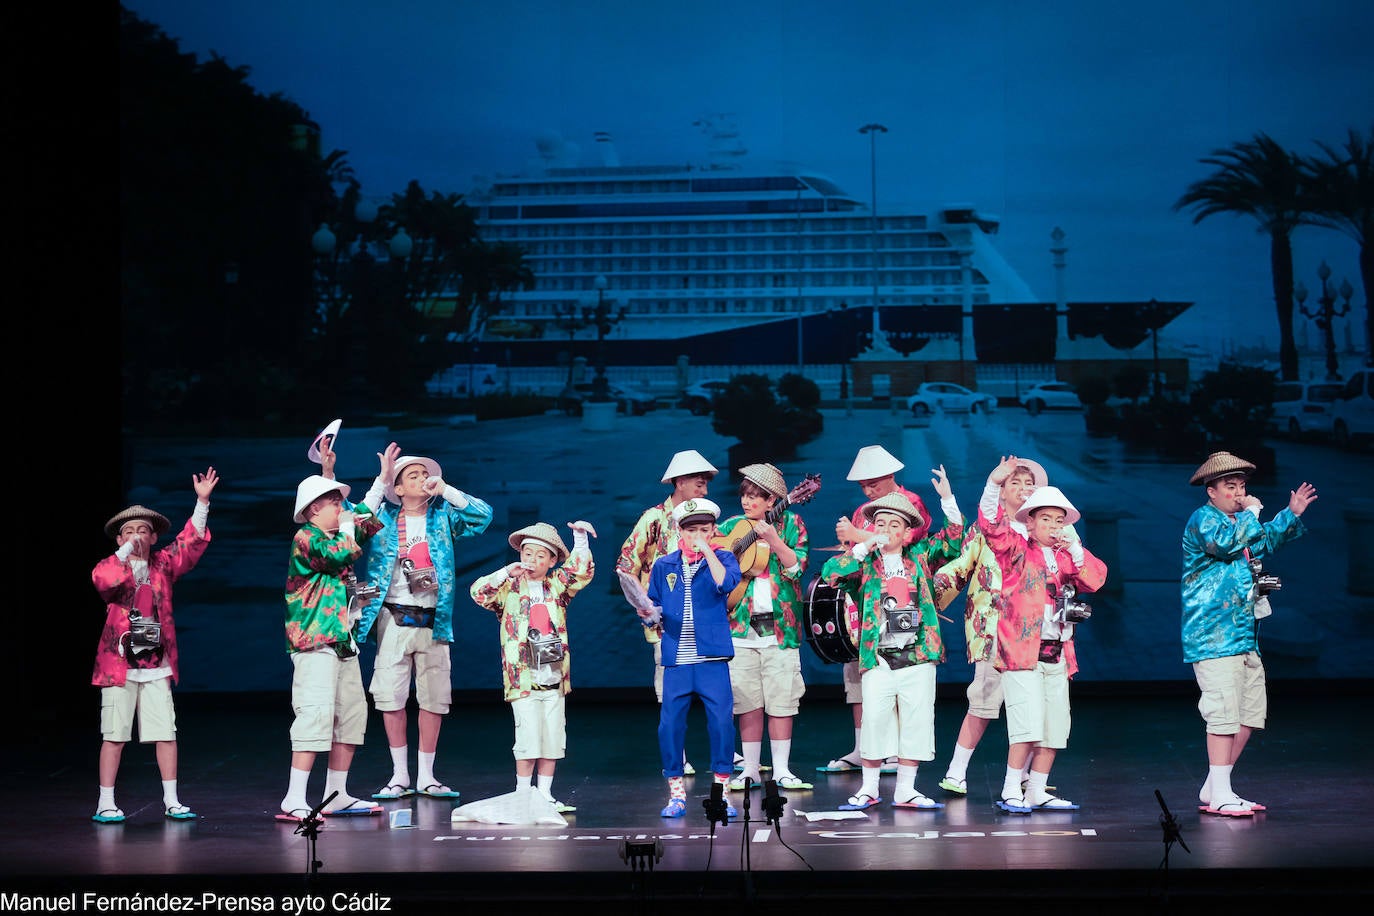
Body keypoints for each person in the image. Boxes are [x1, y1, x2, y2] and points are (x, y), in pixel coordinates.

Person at [343, 443, 494, 802]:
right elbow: (352, 521)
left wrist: (447, 491)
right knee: (391, 698)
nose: (423, 479)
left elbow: (482, 516)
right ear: (398, 488)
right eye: (414, 475)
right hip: (393, 618)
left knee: (434, 699)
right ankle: (399, 775)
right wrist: (379, 479)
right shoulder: (382, 524)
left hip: (433, 620)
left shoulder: (442, 517)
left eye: (425, 475)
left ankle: (427, 775)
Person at [1182, 451, 1316, 817]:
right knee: (1223, 713)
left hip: (1244, 634)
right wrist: (1251, 511)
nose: (1239, 493)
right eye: (1230, 487)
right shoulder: (1204, 520)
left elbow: (1262, 540)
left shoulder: (1239, 523)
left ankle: (1215, 786)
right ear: (1212, 491)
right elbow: (1228, 543)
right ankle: (1221, 793)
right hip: (1214, 635)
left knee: (1249, 713)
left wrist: (1292, 514)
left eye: (1242, 486)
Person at [818, 474, 963, 810]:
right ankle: (869, 788)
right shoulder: (866, 562)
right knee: (875, 722)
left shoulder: (921, 555)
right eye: (878, 523)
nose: (884, 529)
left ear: (904, 531)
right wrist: (861, 547)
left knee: (916, 720)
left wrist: (947, 499)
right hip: (879, 656)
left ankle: (906, 790)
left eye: (892, 524)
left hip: (917, 654)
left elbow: (953, 542)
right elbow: (831, 573)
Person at [975, 461, 1106, 813]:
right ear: (1030, 521)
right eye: (1045, 518)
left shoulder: (1065, 557)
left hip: (1058, 653)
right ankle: (1009, 789)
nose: (1052, 525)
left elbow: (1094, 580)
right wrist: (993, 483)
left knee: (1053, 727)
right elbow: (991, 527)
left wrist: (1076, 548)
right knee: (1027, 724)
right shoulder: (1017, 549)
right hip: (1022, 652)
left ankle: (1036, 790)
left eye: (1058, 520)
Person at [90, 469, 219, 824]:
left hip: (156, 664)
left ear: (153, 536)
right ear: (119, 538)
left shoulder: (162, 564)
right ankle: (105, 802)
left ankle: (172, 800)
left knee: (166, 733)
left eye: (143, 530)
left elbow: (189, 543)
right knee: (114, 735)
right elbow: (103, 581)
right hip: (118, 665)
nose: (136, 536)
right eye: (129, 531)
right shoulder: (111, 566)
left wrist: (202, 502)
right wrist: (123, 554)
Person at [459, 520, 597, 822]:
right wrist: (504, 572)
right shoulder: (509, 588)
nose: (532, 561)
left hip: (554, 678)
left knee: (552, 737)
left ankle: (545, 793)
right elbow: (478, 593)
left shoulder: (556, 586)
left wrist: (580, 538)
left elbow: (580, 572)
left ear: (551, 562)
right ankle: (523, 793)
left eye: (540, 556)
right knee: (528, 738)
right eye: (527, 553)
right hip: (523, 679)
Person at [932, 456, 1049, 796]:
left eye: (1030, 485)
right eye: (1016, 484)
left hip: (1034, 631)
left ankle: (1025, 775)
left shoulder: (1041, 531)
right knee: (983, 699)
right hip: (993, 627)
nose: (1024, 490)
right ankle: (956, 771)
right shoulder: (986, 529)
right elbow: (960, 566)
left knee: (1033, 705)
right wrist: (929, 598)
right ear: (1002, 492)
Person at [277, 470, 387, 822]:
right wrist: (347, 523)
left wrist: (382, 481)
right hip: (315, 641)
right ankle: (294, 797)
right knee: (315, 715)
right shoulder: (306, 538)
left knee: (351, 717)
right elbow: (340, 552)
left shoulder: (338, 533)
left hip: (342, 641)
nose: (343, 509)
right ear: (313, 511)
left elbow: (365, 523)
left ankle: (335, 795)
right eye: (335, 504)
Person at [634, 498, 743, 818]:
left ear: (713, 532)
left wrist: (708, 551)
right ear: (680, 531)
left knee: (722, 723)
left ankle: (722, 791)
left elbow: (726, 583)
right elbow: (652, 607)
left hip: (711, 659)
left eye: (704, 530)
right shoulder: (664, 565)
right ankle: (676, 793)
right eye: (691, 529)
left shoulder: (723, 558)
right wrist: (648, 614)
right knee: (669, 726)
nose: (697, 535)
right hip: (677, 659)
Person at [616, 448, 719, 776]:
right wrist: (646, 604)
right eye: (699, 484)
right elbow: (626, 564)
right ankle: (679, 757)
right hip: (668, 622)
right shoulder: (655, 519)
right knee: (672, 692)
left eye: (705, 485)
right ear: (680, 482)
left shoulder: (708, 520)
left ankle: (726, 755)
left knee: (718, 688)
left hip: (706, 618)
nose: (704, 491)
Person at [817, 444, 918, 775]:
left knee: (897, 674)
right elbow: (856, 553)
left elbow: (903, 544)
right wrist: (849, 544)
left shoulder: (910, 503)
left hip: (898, 602)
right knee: (858, 675)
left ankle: (894, 750)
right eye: (863, 485)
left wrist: (859, 535)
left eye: (872, 483)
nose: (867, 490)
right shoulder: (864, 509)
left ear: (889, 476)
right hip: (865, 600)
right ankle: (864, 748)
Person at [719, 464, 812, 792]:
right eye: (745, 495)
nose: (747, 501)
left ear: (773, 500)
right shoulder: (731, 526)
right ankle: (750, 770)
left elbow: (797, 569)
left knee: (781, 701)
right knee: (747, 702)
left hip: (779, 628)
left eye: (755, 497)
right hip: (740, 628)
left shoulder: (792, 524)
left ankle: (783, 769)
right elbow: (715, 568)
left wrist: (774, 541)